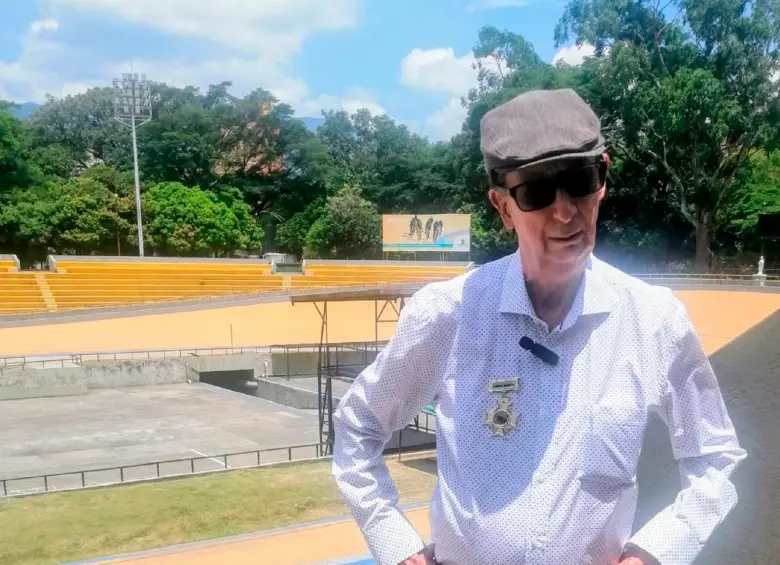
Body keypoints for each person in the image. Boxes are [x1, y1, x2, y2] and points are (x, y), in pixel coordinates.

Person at [332, 89, 746, 565]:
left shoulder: (653, 320)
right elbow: (357, 427)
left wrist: (653, 554)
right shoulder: (448, 314)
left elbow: (714, 457)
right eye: (536, 192)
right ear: (503, 207)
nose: (566, 211)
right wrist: (398, 547)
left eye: (580, 180)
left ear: (604, 179)